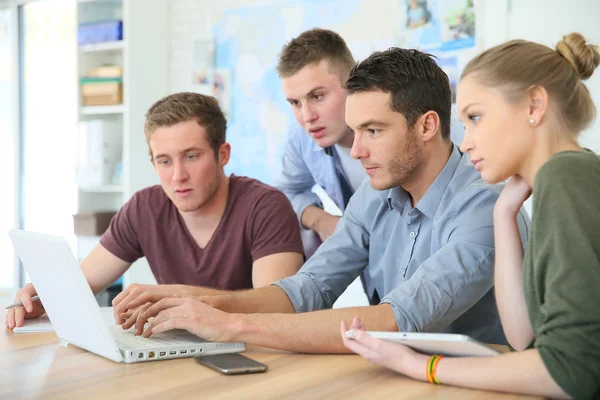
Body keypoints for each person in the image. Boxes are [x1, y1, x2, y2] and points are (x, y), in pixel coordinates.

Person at [111, 47, 529, 354]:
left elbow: (397, 320)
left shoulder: (482, 208)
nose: (358, 150)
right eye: (355, 131)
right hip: (402, 370)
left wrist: (230, 323)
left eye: (374, 130)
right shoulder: (375, 193)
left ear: (427, 126)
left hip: (481, 382)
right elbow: (307, 289)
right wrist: (199, 300)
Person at [342, 33, 600, 399]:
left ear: (534, 105)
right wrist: (504, 212)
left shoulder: (568, 177)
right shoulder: (552, 185)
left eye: (476, 117)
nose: (465, 142)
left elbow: (569, 371)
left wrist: (421, 366)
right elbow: (522, 336)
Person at [5, 92, 304, 330]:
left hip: (254, 354)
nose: (177, 176)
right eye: (164, 161)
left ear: (222, 154)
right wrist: (44, 298)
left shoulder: (266, 206)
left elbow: (278, 306)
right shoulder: (143, 208)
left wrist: (184, 297)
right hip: (179, 349)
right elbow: (80, 284)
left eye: (191, 156)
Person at [274, 28, 464, 301]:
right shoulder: (302, 139)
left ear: (352, 84)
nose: (306, 117)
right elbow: (285, 194)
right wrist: (320, 220)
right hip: (379, 278)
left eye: (317, 96)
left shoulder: (449, 139)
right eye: (294, 103)